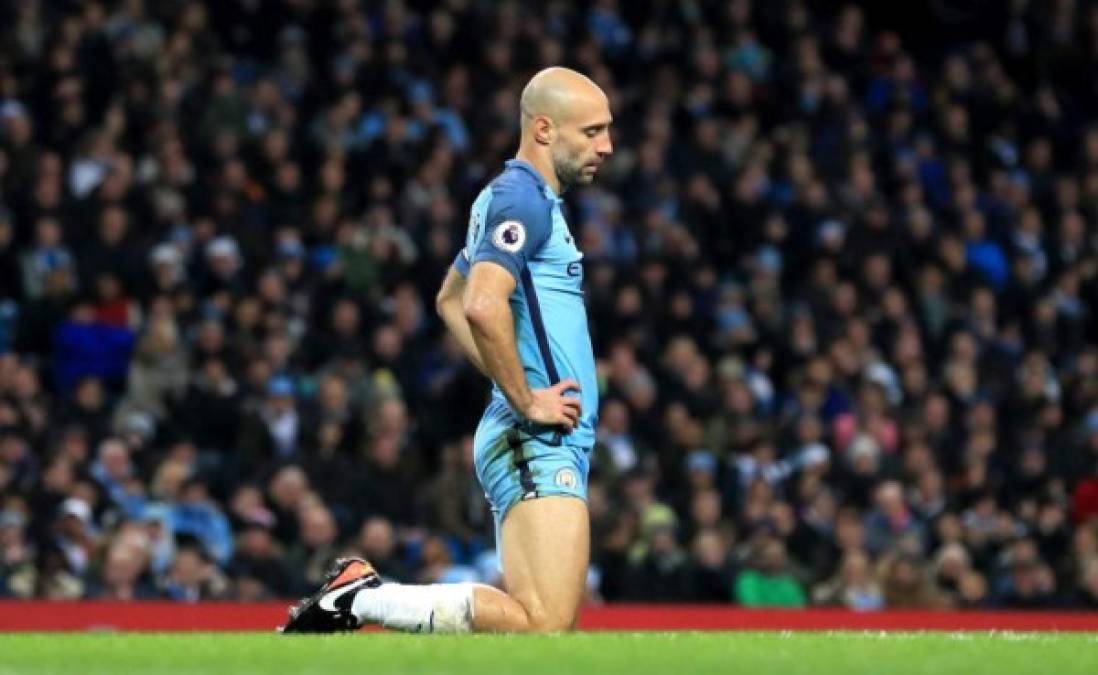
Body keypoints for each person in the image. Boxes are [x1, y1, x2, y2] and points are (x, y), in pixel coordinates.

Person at [281, 66, 612, 634]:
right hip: (539, 437)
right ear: (543, 129)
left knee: (535, 627)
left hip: (538, 434)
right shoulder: (522, 202)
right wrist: (526, 399)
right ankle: (363, 599)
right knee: (547, 626)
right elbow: (481, 304)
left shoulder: (505, 198)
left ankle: (359, 597)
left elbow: (449, 299)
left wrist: (514, 387)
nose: (606, 146)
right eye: (591, 132)